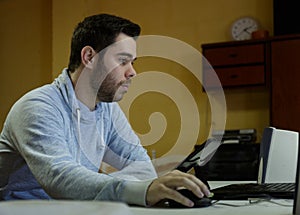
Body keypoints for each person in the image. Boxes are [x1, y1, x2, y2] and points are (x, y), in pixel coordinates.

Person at [0, 13, 210, 207]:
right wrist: (141, 190)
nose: (132, 72)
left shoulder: (107, 110)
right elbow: (60, 179)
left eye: (132, 62)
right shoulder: (37, 107)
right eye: (122, 61)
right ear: (89, 57)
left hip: (72, 209)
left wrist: (141, 186)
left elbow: (141, 167)